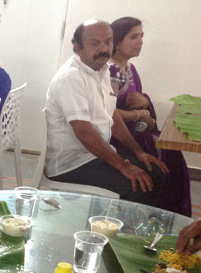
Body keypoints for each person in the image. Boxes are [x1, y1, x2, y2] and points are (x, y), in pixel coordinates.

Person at [45, 20, 168, 206]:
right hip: (70, 164)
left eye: (108, 42)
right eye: (95, 43)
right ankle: (114, 232)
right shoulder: (71, 78)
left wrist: (138, 152)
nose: (103, 48)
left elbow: (112, 116)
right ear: (78, 46)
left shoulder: (101, 70)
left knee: (156, 173)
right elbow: (84, 133)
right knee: (138, 185)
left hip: (94, 154)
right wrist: (123, 166)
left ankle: (140, 231)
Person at [109, 16, 191, 217]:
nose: (140, 42)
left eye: (141, 36)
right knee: (165, 161)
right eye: (133, 37)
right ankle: (157, 217)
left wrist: (145, 104)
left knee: (172, 155)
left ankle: (168, 217)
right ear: (118, 42)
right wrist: (142, 112)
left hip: (136, 131)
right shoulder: (112, 71)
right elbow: (108, 112)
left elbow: (139, 100)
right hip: (117, 137)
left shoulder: (128, 68)